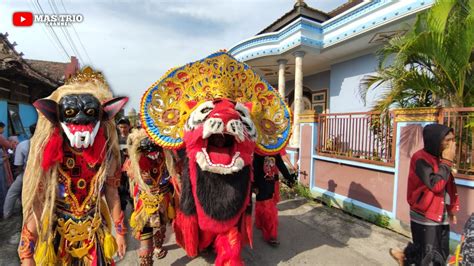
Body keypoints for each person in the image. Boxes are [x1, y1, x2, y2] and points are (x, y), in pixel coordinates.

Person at [19, 67, 128, 265]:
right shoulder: (49, 155)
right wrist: (27, 252)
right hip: (58, 234)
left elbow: (112, 193)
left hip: (94, 231)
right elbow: (37, 201)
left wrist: (120, 232)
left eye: (89, 113)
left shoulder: (107, 153)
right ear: (56, 117)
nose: (80, 120)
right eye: (70, 112)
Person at [390, 123, 459, 265]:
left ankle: (404, 256)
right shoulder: (420, 158)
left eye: (453, 139)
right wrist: (447, 161)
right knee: (429, 255)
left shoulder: (442, 159)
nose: (452, 144)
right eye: (448, 140)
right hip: (425, 213)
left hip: (440, 212)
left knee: (441, 251)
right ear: (435, 140)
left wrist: (452, 209)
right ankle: (406, 257)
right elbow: (436, 185)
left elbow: (449, 187)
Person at [125, 129, 175, 265]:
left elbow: (172, 170)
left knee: (162, 225)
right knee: (146, 233)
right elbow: (130, 173)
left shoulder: (165, 155)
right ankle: (146, 261)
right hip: (145, 201)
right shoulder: (134, 160)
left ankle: (158, 247)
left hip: (163, 197)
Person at [253, 152, 296, 246]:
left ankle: (271, 235)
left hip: (270, 184)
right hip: (260, 185)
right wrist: (254, 185)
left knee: (268, 209)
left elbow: (280, 165)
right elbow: (254, 168)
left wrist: (289, 178)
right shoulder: (257, 151)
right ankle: (260, 224)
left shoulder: (274, 151)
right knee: (261, 204)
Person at [3, 124, 35, 219]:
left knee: (12, 192)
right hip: (44, 174)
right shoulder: (48, 143)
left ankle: (7, 214)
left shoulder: (23, 144)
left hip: (27, 173)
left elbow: (18, 164)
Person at [0, 122, 17, 218]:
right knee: (3, 188)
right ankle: (3, 211)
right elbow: (9, 146)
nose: (3, 130)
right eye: (2, 128)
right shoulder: (0, 137)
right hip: (2, 164)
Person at [117, 117, 133, 212]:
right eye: (121, 127)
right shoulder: (116, 139)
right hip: (119, 171)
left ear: (129, 127)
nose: (123, 129)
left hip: (131, 171)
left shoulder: (133, 138)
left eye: (125, 127)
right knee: (121, 193)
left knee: (132, 193)